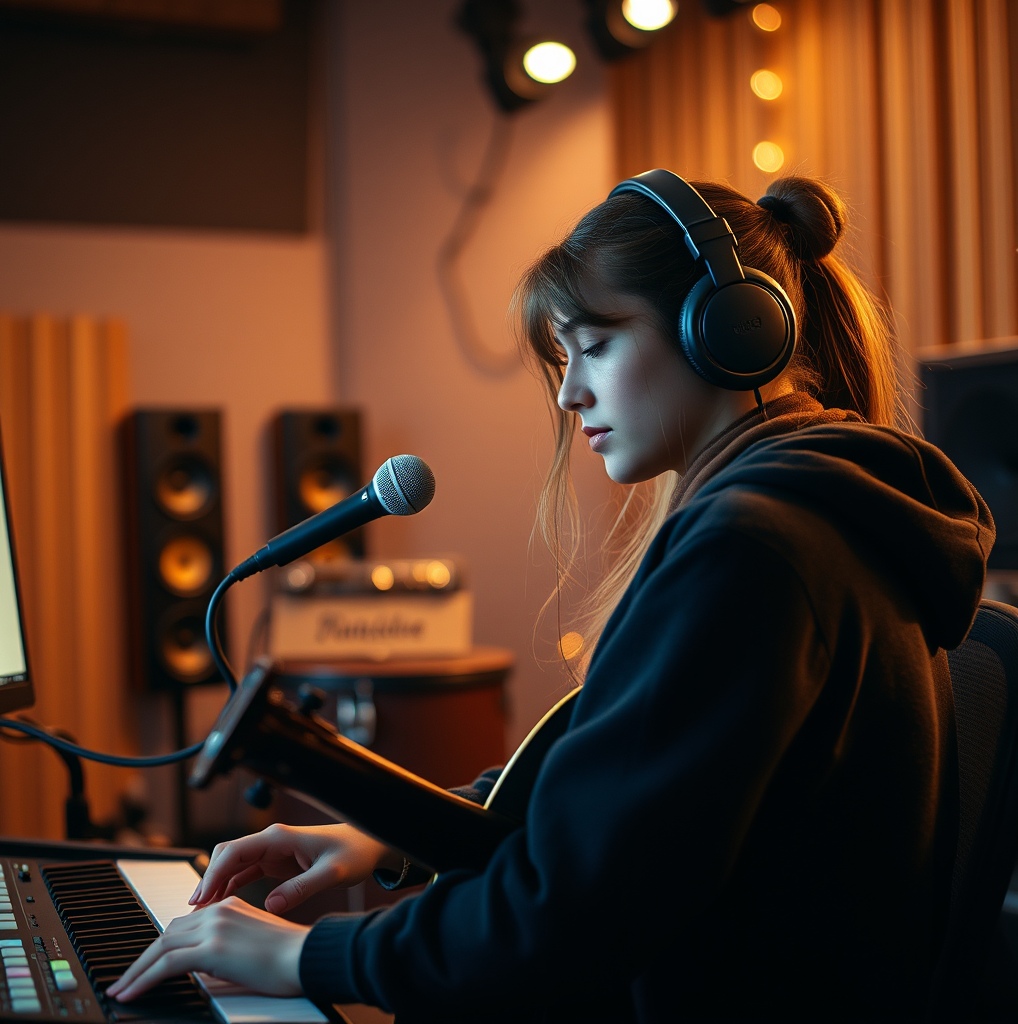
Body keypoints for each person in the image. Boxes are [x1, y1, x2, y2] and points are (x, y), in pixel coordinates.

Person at [108, 172, 993, 1022]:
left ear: (728, 331)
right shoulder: (820, 504)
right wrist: (388, 842)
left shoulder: (755, 548)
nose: (570, 392)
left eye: (596, 346)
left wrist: (304, 956)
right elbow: (613, 789)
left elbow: (569, 913)